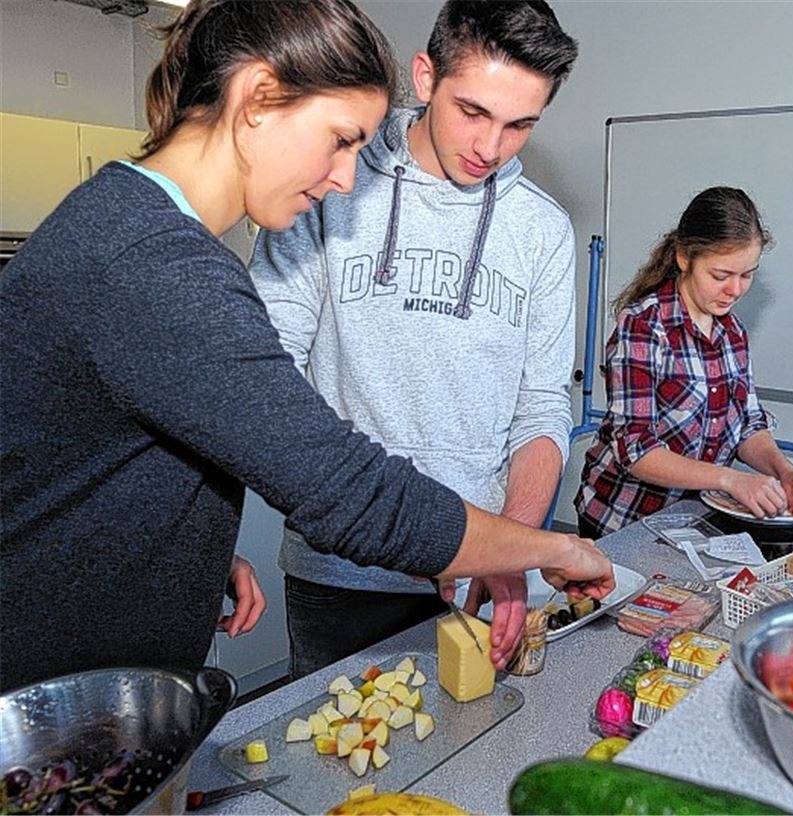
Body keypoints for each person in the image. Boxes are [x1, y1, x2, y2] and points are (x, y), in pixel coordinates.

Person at [0, 0, 612, 694]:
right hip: (52, 689)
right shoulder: (154, 263)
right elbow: (345, 488)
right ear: (259, 99)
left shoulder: (145, 237)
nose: (348, 179)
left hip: (91, 672)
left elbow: (133, 453)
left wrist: (190, 542)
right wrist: (555, 547)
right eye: (342, 139)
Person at [249, 0, 580, 678]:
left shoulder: (544, 231)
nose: (491, 147)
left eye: (520, 125)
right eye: (475, 112)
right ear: (425, 77)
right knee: (336, 771)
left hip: (479, 579)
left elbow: (543, 406)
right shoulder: (328, 182)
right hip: (340, 571)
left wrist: (511, 546)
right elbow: (262, 370)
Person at [574, 187, 793, 538]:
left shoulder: (732, 332)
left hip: (691, 522)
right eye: (720, 276)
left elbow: (748, 426)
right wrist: (730, 479)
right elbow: (637, 449)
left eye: (747, 274)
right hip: (623, 521)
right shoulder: (644, 326)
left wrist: (785, 472)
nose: (735, 290)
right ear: (684, 258)